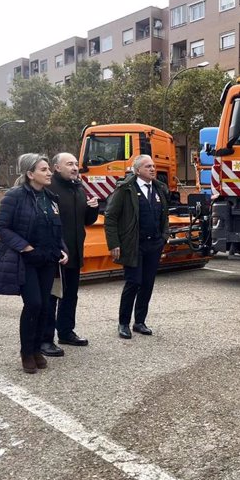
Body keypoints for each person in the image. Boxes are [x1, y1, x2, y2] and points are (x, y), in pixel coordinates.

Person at [0, 153, 68, 374]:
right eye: (44, 170)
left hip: (48, 260)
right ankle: (26, 352)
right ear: (30, 174)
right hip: (26, 260)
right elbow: (1, 227)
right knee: (34, 304)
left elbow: (56, 229)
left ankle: (37, 348)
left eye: (49, 169)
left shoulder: (50, 198)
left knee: (45, 306)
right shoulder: (15, 196)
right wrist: (26, 247)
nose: (49, 172)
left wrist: (63, 250)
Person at [104, 155, 169, 339]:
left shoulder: (159, 189)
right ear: (137, 170)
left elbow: (164, 215)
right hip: (134, 244)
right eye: (148, 166)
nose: (152, 168)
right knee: (133, 282)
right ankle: (123, 323)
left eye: (153, 166)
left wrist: (164, 237)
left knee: (147, 284)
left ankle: (139, 321)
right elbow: (110, 217)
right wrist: (114, 243)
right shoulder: (125, 189)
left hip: (154, 244)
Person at [40, 152, 99, 357]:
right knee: (52, 296)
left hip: (74, 252)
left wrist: (93, 209)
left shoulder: (78, 188)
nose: (75, 168)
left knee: (70, 295)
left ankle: (65, 332)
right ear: (57, 167)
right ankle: (45, 339)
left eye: (76, 164)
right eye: (69, 164)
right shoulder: (48, 189)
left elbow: (86, 221)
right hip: (55, 254)